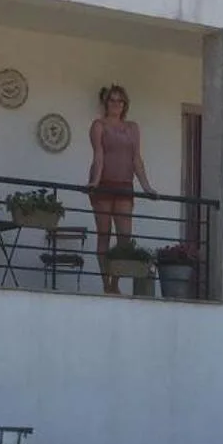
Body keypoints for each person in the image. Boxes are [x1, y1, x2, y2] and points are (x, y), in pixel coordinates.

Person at [86, 84, 157, 293]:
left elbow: (136, 158)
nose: (116, 104)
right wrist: (95, 182)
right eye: (112, 100)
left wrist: (146, 187)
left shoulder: (132, 128)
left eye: (120, 100)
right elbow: (98, 154)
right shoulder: (98, 125)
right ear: (106, 103)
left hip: (125, 185)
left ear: (125, 104)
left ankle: (116, 283)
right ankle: (105, 284)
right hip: (104, 184)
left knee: (124, 237)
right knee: (104, 234)